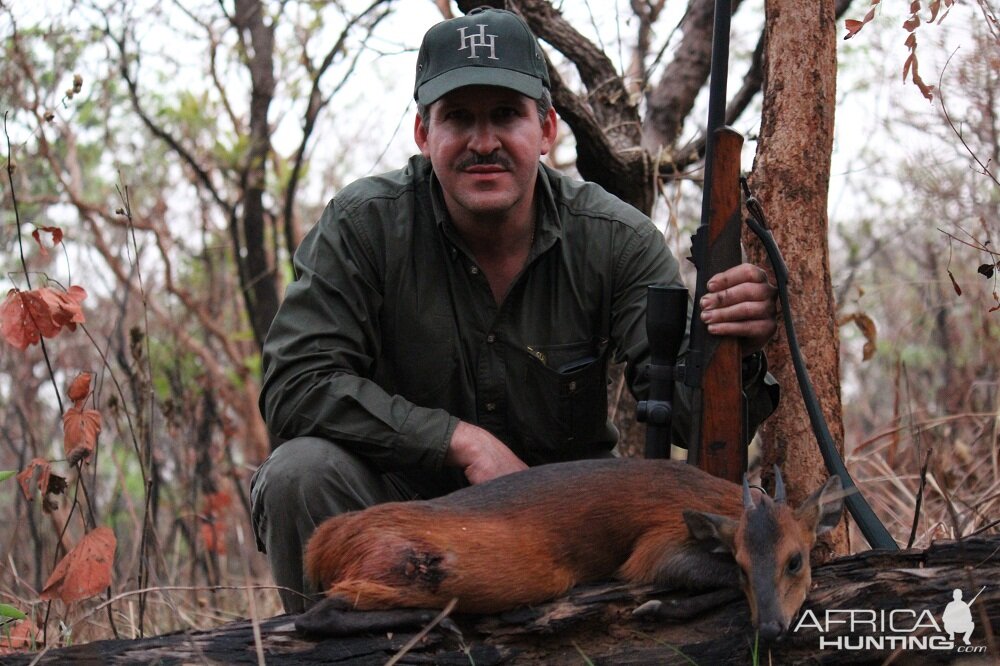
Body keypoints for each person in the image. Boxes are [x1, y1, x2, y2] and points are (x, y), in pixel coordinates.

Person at [250, 6, 779, 613]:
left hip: (564, 532)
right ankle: (329, 647)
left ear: (547, 128)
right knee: (299, 473)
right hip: (404, 513)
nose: (483, 142)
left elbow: (693, 420)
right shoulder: (364, 225)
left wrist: (736, 346)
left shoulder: (616, 238)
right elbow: (295, 384)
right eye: (458, 118)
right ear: (424, 134)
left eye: (505, 115)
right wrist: (460, 441)